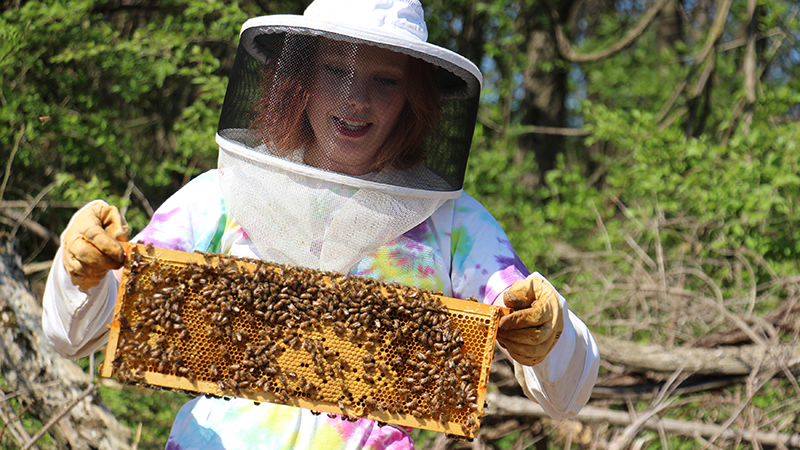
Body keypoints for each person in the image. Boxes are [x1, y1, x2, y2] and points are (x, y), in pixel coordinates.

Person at [42, 0, 600, 448]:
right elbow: (75, 335)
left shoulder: (453, 223)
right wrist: (82, 272)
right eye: (337, 71)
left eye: (384, 80)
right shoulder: (220, 196)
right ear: (301, 78)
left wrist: (549, 332)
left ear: (414, 95)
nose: (356, 99)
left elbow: (568, 394)